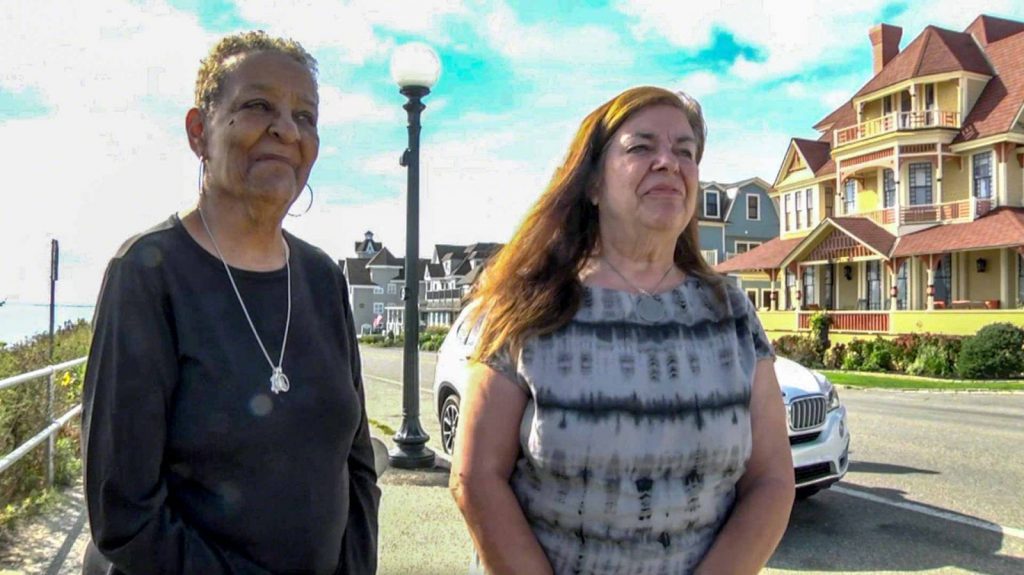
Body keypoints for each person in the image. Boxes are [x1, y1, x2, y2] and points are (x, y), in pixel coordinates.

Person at [450, 86, 794, 575]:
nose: (668, 163)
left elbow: (772, 481)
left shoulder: (732, 312)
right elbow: (476, 478)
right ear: (591, 184)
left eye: (685, 152)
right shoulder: (530, 304)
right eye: (641, 147)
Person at [81, 31, 379, 574]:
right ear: (200, 132)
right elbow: (122, 511)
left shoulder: (323, 280)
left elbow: (356, 463)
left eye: (305, 116)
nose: (286, 130)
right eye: (258, 105)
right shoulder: (148, 276)